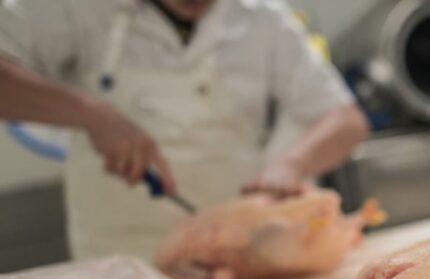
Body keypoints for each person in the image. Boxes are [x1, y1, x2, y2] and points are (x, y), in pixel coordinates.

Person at [0, 0, 369, 260]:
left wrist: (290, 164)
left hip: (237, 261)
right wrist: (90, 112)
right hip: (119, 265)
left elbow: (346, 120)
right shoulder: (77, 8)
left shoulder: (265, 19)